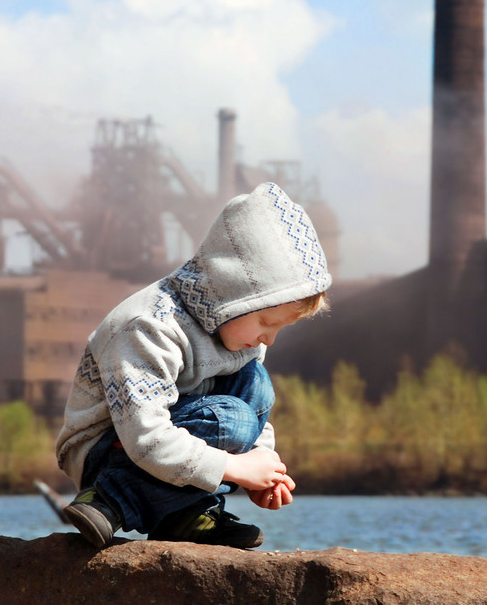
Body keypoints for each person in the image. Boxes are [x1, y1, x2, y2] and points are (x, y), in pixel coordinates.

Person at [55, 182, 331, 550]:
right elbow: (146, 437)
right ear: (234, 292)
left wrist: (263, 465)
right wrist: (237, 468)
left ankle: (184, 515)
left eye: (280, 328)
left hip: (169, 436)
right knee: (233, 419)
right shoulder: (149, 325)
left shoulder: (238, 336)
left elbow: (256, 414)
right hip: (107, 449)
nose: (270, 339)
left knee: (256, 384)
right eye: (267, 322)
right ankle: (108, 500)